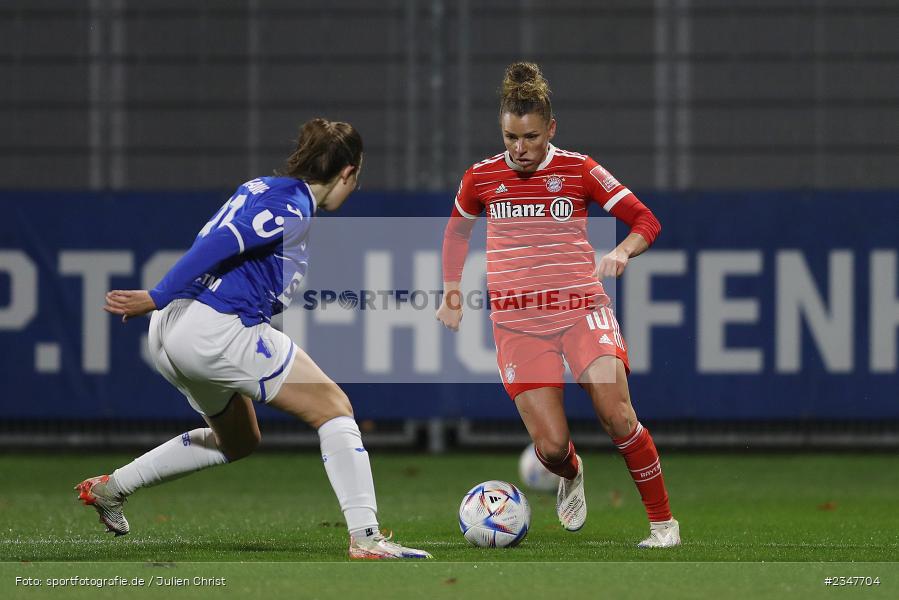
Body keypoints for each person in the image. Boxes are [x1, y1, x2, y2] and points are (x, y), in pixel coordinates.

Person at [75, 118, 432, 560]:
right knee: (334, 408)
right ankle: (366, 537)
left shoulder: (260, 187)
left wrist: (165, 303)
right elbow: (224, 241)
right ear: (348, 173)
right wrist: (157, 293)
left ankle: (113, 489)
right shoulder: (293, 208)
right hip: (216, 327)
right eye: (355, 178)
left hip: (171, 331)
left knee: (239, 440)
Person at [436, 62, 680, 548]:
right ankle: (570, 471)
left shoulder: (579, 169)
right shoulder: (481, 178)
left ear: (551, 128)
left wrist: (621, 250)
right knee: (549, 447)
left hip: (581, 311)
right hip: (518, 326)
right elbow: (457, 232)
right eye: (510, 137)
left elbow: (645, 220)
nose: (519, 149)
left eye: (529, 137)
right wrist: (451, 291)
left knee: (618, 416)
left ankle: (663, 526)